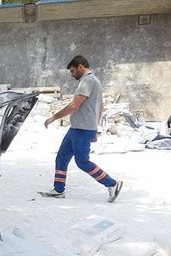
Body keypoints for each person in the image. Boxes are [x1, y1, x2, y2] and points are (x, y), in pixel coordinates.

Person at [42, 55, 122, 202]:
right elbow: (100, 107)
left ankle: (112, 183)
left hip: (82, 129)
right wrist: (96, 128)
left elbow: (74, 105)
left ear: (80, 67)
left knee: (82, 162)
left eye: (73, 71)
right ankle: (59, 189)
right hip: (78, 128)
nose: (72, 75)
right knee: (61, 158)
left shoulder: (88, 80)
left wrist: (54, 117)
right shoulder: (94, 81)